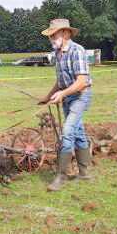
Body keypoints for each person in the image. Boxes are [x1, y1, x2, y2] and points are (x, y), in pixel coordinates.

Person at [37, 18, 92, 191]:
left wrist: (62, 93)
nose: (51, 39)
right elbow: (61, 81)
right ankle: (85, 174)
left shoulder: (77, 51)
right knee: (78, 134)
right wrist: (48, 96)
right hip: (68, 97)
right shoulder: (58, 54)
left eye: (53, 35)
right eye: (50, 36)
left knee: (67, 132)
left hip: (81, 96)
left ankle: (60, 178)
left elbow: (81, 82)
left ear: (66, 33)